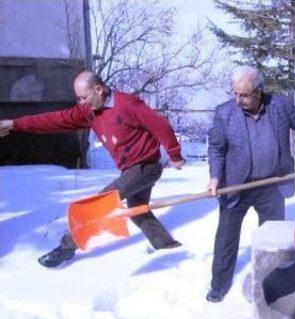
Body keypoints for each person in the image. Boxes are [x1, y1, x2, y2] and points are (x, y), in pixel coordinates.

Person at [0, 71, 185, 268]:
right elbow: (54, 119)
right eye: (78, 98)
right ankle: (167, 247)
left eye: (83, 97)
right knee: (136, 211)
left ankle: (66, 247)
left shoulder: (127, 104)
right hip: (130, 169)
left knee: (100, 203)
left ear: (98, 89)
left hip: (146, 168)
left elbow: (160, 125)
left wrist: (174, 155)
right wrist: (14, 124)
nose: (81, 103)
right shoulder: (88, 111)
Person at [205, 65, 295, 303]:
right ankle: (219, 285)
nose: (238, 99)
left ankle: (272, 284)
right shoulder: (224, 113)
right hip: (236, 186)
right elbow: (217, 148)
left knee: (274, 241)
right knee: (226, 239)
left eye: (244, 94)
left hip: (272, 184)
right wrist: (215, 177)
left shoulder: (280, 106)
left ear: (259, 91)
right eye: (235, 94)